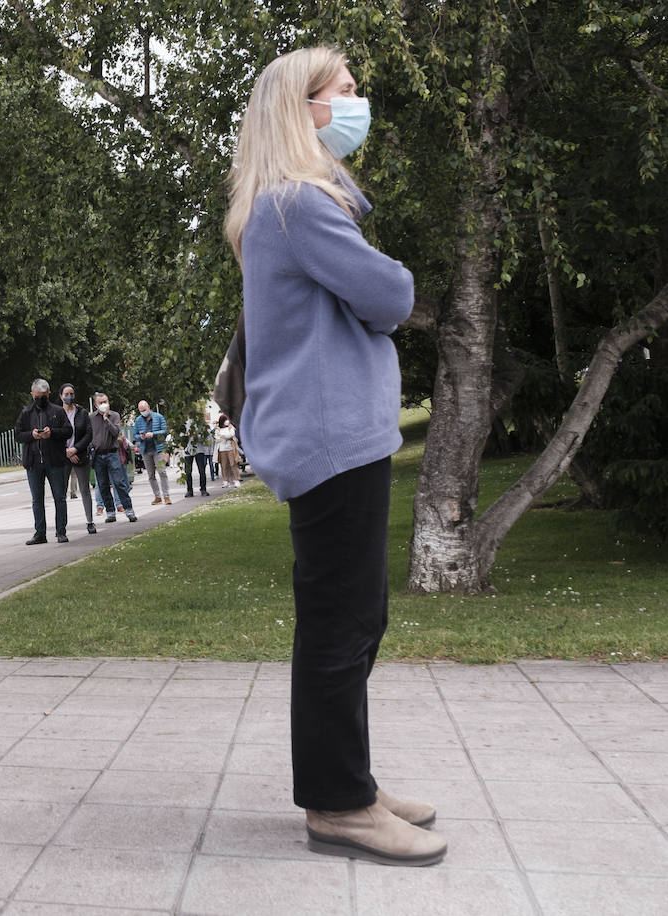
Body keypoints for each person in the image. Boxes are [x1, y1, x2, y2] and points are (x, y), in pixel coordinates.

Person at [225, 46, 445, 866]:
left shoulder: (288, 204)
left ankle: (350, 782)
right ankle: (339, 805)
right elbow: (392, 295)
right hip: (329, 439)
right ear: (303, 108)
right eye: (343, 92)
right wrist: (386, 289)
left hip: (333, 435)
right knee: (340, 623)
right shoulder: (298, 204)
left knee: (355, 618)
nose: (357, 104)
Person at [15, 379, 73, 544]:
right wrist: (31, 435)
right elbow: (18, 435)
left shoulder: (58, 411)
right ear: (32, 394)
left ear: (49, 394)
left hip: (55, 461)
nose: (40, 399)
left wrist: (52, 433)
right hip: (33, 462)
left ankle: (61, 531)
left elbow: (68, 431)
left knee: (59, 497)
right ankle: (40, 533)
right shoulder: (26, 412)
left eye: (43, 396)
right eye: (37, 396)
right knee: (37, 499)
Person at [90, 392, 137, 523]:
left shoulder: (114, 415)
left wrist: (106, 419)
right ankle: (110, 512)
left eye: (105, 402)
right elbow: (89, 434)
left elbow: (116, 432)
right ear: (96, 405)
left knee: (119, 482)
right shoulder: (91, 418)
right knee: (103, 484)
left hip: (112, 453)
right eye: (101, 403)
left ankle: (129, 510)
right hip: (98, 455)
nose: (104, 404)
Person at [58, 383, 97, 534]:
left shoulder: (82, 412)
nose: (69, 397)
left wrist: (75, 449)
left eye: (71, 394)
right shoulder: (56, 413)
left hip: (80, 455)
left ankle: (90, 521)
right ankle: (61, 526)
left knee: (84, 489)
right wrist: (66, 452)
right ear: (61, 396)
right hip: (62, 457)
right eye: (66, 394)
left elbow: (88, 433)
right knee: (61, 492)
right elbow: (54, 435)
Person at [133, 400, 171, 504]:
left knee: (162, 472)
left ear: (149, 407)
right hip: (145, 450)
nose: (143, 412)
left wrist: (153, 434)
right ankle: (157, 496)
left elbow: (165, 431)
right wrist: (140, 437)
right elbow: (135, 434)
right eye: (141, 411)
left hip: (158, 449)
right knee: (151, 475)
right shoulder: (138, 420)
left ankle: (166, 496)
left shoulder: (159, 417)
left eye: (144, 410)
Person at [181, 411, 210, 497]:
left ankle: (203, 489)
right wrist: (187, 435)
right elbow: (181, 437)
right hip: (188, 450)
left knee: (201, 470)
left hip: (199, 449)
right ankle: (189, 490)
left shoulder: (200, 425)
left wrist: (197, 435)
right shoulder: (184, 425)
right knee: (188, 472)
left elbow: (205, 437)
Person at [215, 414, 243, 488]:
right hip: (222, 449)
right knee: (224, 466)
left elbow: (231, 435)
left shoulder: (231, 427)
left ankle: (236, 480)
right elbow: (217, 438)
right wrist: (225, 437)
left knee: (233, 464)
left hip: (230, 449)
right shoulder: (218, 429)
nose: (227, 421)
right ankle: (226, 481)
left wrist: (223, 436)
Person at [198, 406, 218, 490]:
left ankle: (209, 476)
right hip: (208, 452)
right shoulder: (210, 434)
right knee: (209, 465)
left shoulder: (206, 435)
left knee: (205, 465)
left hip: (206, 452)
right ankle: (212, 476)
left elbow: (208, 443)